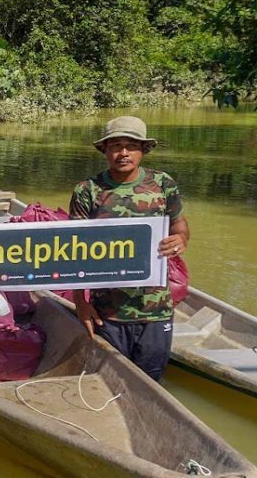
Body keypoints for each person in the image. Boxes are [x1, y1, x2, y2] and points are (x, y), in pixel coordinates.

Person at [69, 116, 190, 382]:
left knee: (150, 384)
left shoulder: (163, 184)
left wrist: (180, 239)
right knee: (110, 382)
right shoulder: (87, 191)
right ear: (105, 150)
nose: (123, 153)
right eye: (115, 146)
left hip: (156, 309)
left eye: (131, 145)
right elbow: (75, 250)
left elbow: (179, 224)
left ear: (143, 150)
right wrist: (80, 302)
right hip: (107, 312)